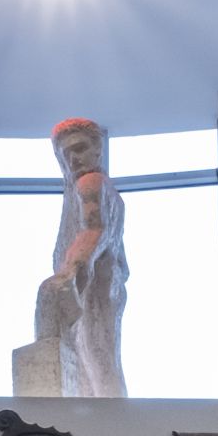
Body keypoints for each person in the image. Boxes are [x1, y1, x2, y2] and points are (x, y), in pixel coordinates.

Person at [42, 118, 127, 396]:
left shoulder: (91, 183)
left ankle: (107, 415)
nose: (73, 159)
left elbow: (95, 229)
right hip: (100, 283)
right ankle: (104, 412)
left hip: (91, 284)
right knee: (92, 356)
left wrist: (72, 269)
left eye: (79, 149)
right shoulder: (102, 189)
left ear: (97, 150)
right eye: (67, 154)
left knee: (94, 354)